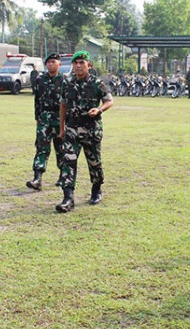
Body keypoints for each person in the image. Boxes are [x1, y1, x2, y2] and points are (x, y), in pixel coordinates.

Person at [56, 50, 114, 213]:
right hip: (72, 129)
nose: (79, 66)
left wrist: (99, 109)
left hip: (91, 129)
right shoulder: (67, 83)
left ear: (89, 65)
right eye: (76, 63)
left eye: (82, 63)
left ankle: (96, 190)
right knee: (68, 162)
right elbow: (63, 105)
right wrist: (62, 128)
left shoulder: (97, 83)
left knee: (94, 162)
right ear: (72, 65)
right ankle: (68, 198)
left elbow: (109, 101)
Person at [26, 53, 65, 192]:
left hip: (60, 118)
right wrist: (37, 117)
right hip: (44, 118)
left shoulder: (65, 80)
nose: (50, 64)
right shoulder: (40, 79)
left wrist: (66, 122)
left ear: (59, 64)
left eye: (53, 62)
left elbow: (68, 102)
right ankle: (37, 179)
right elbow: (37, 99)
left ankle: (63, 176)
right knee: (41, 147)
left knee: (61, 149)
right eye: (48, 62)